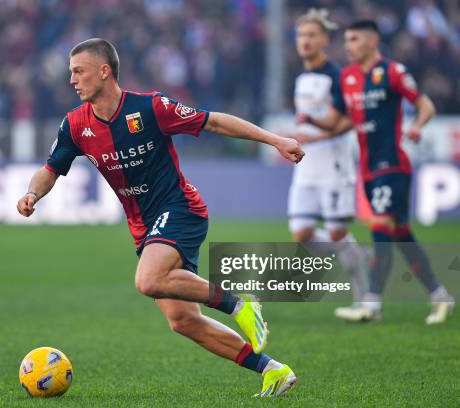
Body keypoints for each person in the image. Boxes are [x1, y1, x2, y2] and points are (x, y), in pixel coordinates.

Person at [17, 38, 303, 397]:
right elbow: (50, 168)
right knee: (183, 320)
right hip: (144, 227)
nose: (72, 80)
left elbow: (212, 123)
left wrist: (275, 140)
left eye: (78, 71)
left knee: (148, 280)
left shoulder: (151, 107)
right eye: (70, 73)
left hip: (180, 208)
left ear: (104, 71)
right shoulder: (75, 125)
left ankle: (239, 303)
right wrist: (32, 194)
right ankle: (272, 370)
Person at [298, 20, 455, 324]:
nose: (348, 46)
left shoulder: (393, 72)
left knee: (380, 227)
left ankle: (371, 303)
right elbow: (343, 122)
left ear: (372, 41)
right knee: (401, 235)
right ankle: (440, 296)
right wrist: (313, 127)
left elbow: (426, 106)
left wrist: (417, 127)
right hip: (368, 169)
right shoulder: (348, 78)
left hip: (392, 164)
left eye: (353, 39)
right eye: (346, 40)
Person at [287, 9, 369, 312]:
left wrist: (312, 127)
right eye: (301, 35)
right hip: (307, 164)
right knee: (302, 233)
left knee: (336, 231)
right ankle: (355, 253)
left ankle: (365, 298)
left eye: (311, 35)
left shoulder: (336, 76)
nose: (305, 41)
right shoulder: (302, 77)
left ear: (324, 40)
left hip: (334, 165)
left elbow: (343, 121)